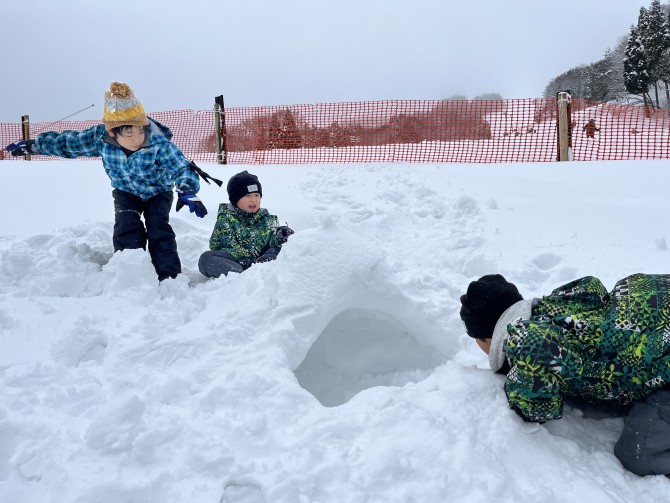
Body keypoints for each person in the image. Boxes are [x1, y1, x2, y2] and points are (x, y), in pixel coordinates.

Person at [460, 273, 670, 476]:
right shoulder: (562, 301)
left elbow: (537, 407)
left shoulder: (527, 341)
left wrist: (513, 377)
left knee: (641, 455)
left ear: (486, 338)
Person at [5, 82, 207, 282]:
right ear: (112, 132)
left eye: (140, 130)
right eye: (128, 133)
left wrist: (187, 189)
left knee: (158, 228)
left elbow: (181, 166)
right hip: (125, 191)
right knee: (126, 225)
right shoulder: (99, 139)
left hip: (158, 192)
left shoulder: (158, 143)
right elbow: (68, 143)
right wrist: (33, 146)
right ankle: (130, 272)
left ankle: (169, 277)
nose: (137, 138)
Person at [198, 170, 293, 278]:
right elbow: (225, 245)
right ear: (235, 199)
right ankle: (242, 277)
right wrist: (250, 262)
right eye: (247, 195)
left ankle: (264, 271)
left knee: (285, 246)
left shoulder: (267, 219)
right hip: (236, 263)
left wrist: (281, 234)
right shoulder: (226, 219)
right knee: (206, 259)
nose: (253, 200)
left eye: (257, 195)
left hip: (264, 262)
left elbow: (273, 242)